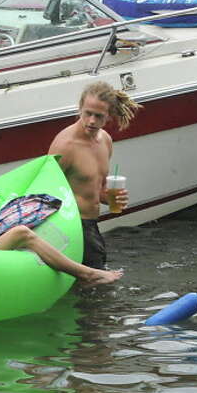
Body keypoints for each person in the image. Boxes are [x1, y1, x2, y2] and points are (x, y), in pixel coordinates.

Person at [47, 81, 142, 270]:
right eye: (87, 113)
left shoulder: (105, 140)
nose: (91, 121)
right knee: (99, 284)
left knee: (97, 285)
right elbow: (45, 191)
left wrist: (108, 198)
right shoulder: (66, 146)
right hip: (71, 227)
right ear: (80, 108)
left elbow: (96, 189)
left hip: (92, 225)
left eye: (98, 116)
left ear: (109, 116)